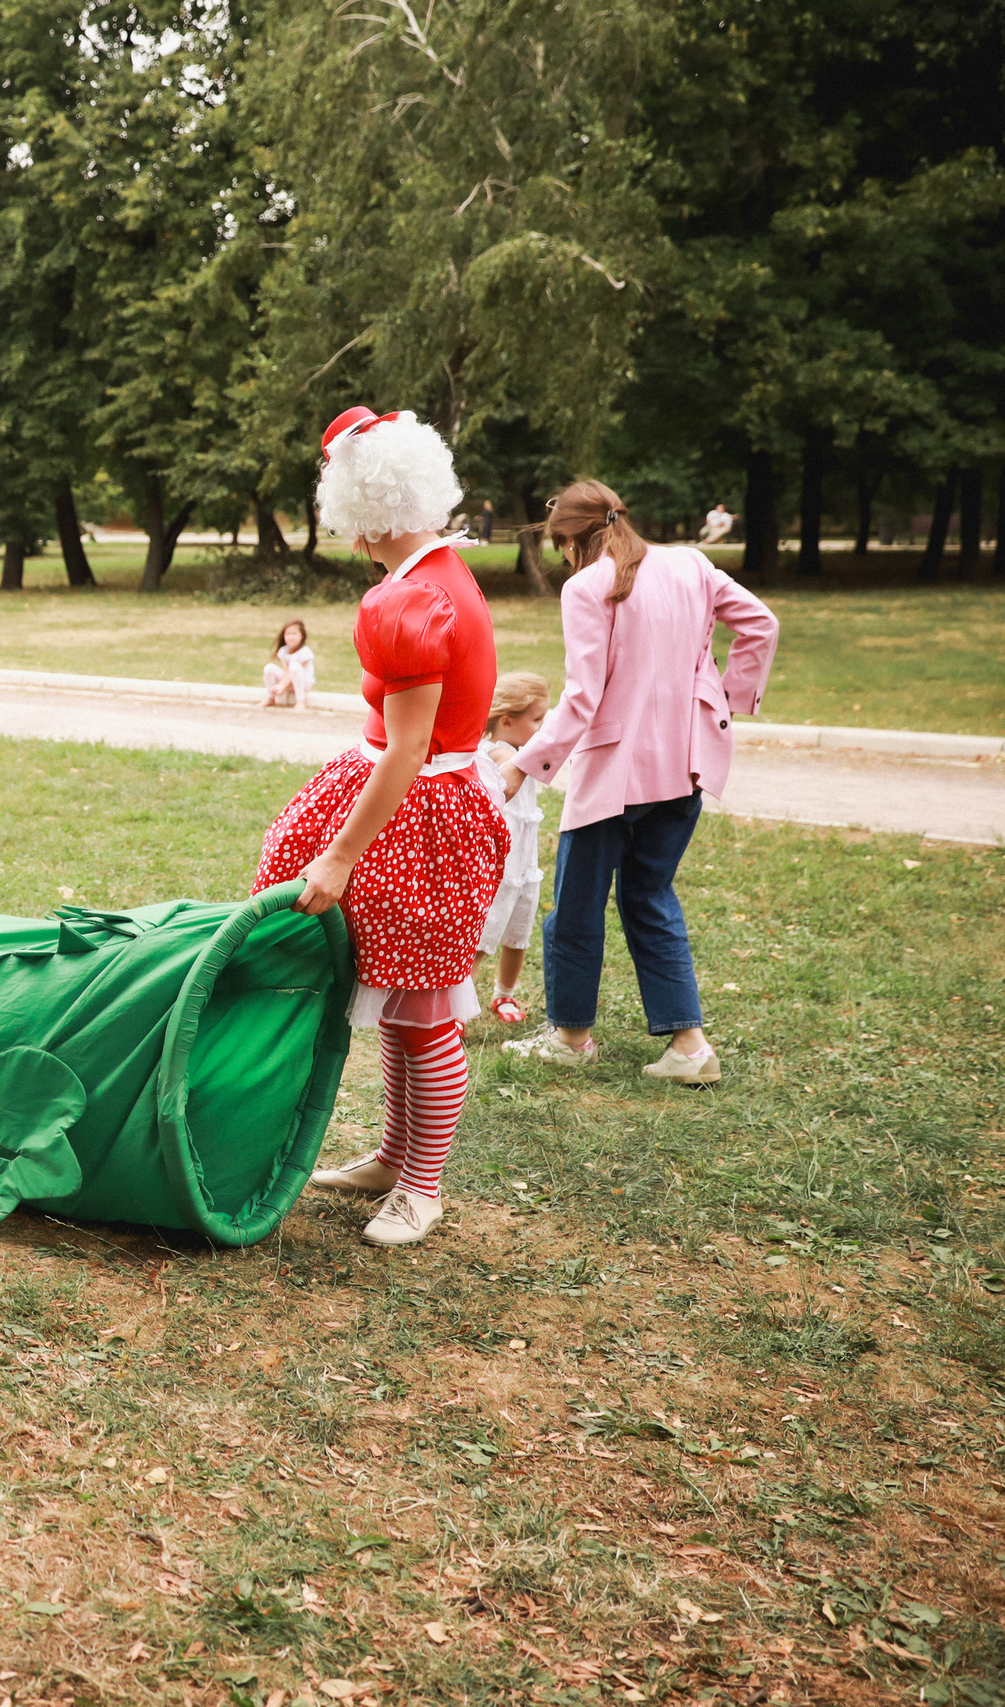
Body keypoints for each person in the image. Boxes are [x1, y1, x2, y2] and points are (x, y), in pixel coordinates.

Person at [253, 406, 509, 1249]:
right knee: (402, 1002)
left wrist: (338, 856)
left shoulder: (409, 599)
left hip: (420, 814)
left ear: (362, 511)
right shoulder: (445, 571)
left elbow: (406, 751)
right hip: (427, 802)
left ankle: (421, 1187)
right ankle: (396, 1156)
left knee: (424, 1010)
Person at [505, 481, 778, 1085]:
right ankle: (689, 1048)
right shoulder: (691, 564)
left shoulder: (586, 586)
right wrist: (723, 700)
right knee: (650, 897)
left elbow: (583, 696)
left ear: (571, 540)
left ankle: (571, 1038)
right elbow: (761, 624)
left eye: (559, 546)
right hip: (685, 766)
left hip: (616, 776)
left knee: (575, 909)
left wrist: (523, 764)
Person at [473, 672, 550, 1023]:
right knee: (481, 938)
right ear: (506, 721)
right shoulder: (497, 752)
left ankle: (504, 994)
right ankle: (457, 1006)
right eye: (537, 720)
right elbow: (507, 764)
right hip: (499, 868)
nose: (542, 728)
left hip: (525, 866)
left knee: (518, 936)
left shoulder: (522, 752)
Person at [260, 620, 316, 710]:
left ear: (302, 636)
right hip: (289, 680)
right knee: (269, 668)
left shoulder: (305, 651)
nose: (291, 637)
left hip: (303, 682)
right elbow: (286, 672)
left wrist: (282, 686)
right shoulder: (283, 650)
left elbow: (295, 671)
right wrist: (281, 685)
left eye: (294, 634)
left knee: (294, 666)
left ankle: (301, 701)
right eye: (288, 634)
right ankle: (271, 698)